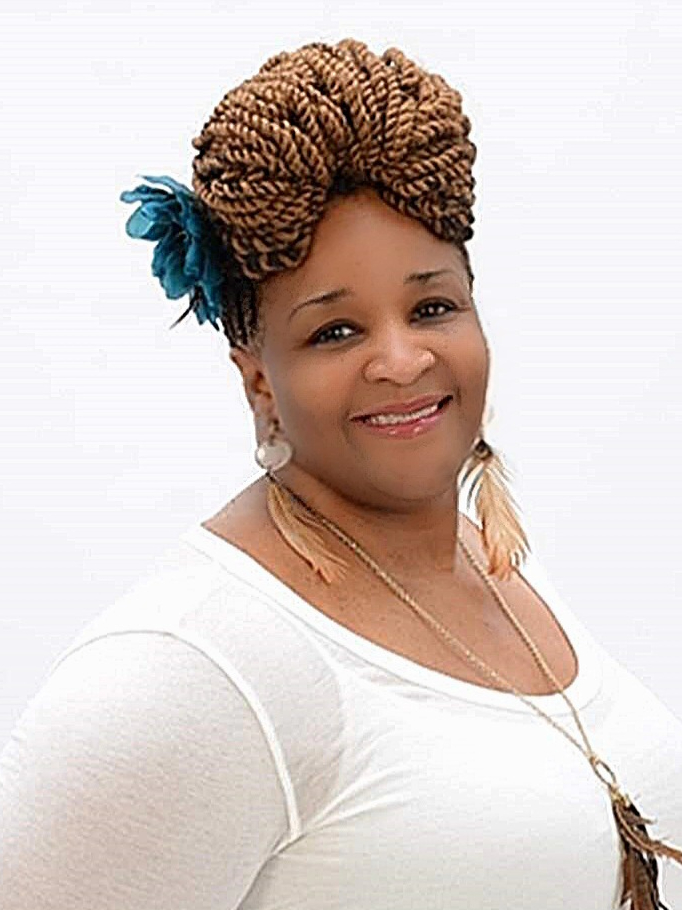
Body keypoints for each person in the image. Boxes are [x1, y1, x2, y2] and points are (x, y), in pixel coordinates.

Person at [1, 37, 682, 910]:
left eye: (432, 306)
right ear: (260, 381)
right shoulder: (188, 671)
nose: (402, 360)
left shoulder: (490, 565)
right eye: (335, 331)